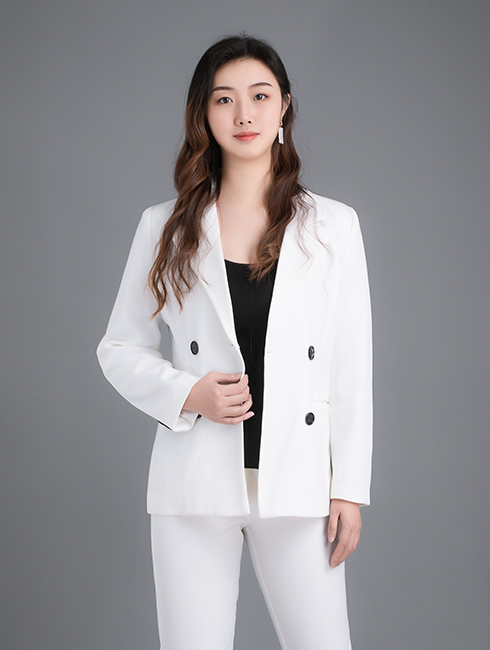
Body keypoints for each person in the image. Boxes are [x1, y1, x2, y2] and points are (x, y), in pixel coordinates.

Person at [97, 34, 372, 650]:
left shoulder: (333, 226)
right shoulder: (164, 226)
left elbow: (351, 365)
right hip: (194, 486)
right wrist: (187, 393)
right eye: (224, 99)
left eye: (260, 96)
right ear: (204, 113)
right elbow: (118, 348)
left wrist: (348, 489)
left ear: (284, 107)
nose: (244, 113)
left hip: (299, 485)